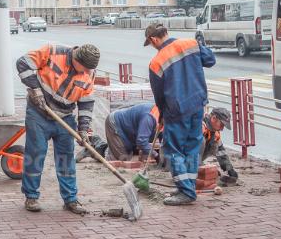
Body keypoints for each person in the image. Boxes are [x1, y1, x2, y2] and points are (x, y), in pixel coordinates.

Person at [15, 43, 99, 214]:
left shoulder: (88, 72)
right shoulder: (52, 52)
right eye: (84, 69)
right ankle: (31, 196)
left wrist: (83, 129)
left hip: (65, 118)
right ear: (76, 59)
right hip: (39, 112)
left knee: (66, 159)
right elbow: (23, 63)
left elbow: (86, 103)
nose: (86, 73)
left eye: (89, 70)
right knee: (36, 153)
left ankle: (70, 199)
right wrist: (35, 89)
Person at [144, 23, 216, 206]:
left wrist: (161, 116)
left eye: (150, 43)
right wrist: (201, 45)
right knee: (192, 147)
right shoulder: (191, 44)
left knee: (172, 150)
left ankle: (186, 191)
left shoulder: (156, 62)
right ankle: (188, 186)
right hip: (198, 104)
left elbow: (158, 95)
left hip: (177, 111)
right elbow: (210, 60)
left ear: (153, 39)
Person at [76, 103, 161, 163]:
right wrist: (157, 156)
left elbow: (165, 137)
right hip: (116, 124)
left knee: (135, 153)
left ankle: (110, 147)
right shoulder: (149, 117)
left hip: (130, 132)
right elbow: (141, 141)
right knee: (121, 159)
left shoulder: (165, 116)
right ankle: (93, 149)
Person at [200, 107, 237, 179]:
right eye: (222, 125)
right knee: (201, 141)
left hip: (191, 161)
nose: (222, 129)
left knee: (216, 140)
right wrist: (205, 170)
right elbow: (192, 154)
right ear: (213, 118)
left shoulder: (214, 132)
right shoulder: (199, 126)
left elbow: (221, 151)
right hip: (178, 160)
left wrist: (229, 169)